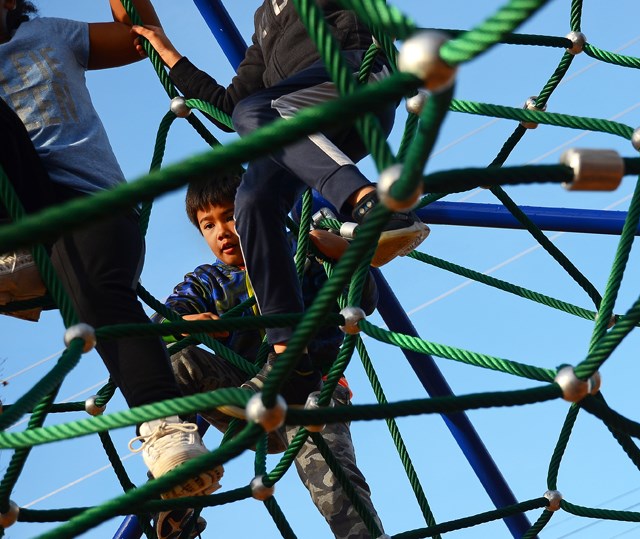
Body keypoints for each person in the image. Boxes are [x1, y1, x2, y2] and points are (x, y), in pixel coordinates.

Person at [131, 1, 429, 402]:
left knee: (258, 111)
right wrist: (169, 54)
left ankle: (375, 205)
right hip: (301, 126)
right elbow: (229, 107)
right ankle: (289, 359)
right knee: (252, 201)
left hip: (355, 79)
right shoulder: (263, 21)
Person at [0, 2, 223, 536]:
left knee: (102, 294)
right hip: (13, 220)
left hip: (83, 207)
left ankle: (167, 433)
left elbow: (140, 35)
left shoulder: (50, 32)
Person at [152, 174, 385, 538]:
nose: (222, 231)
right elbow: (159, 324)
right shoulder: (207, 281)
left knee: (331, 473)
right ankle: (175, 487)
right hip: (242, 397)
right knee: (172, 362)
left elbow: (364, 298)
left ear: (254, 212)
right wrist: (182, 323)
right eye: (208, 224)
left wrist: (341, 254)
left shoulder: (299, 258)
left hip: (312, 391)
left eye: (230, 216)